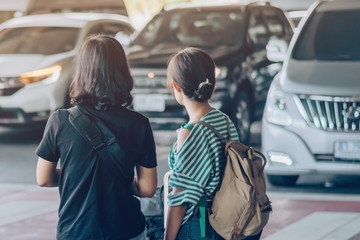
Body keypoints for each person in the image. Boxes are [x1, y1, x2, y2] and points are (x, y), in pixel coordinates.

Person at [36, 34, 158, 240]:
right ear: (122, 72)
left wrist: (73, 175)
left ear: (82, 71)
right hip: (125, 228)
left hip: (75, 230)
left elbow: (43, 178)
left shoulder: (60, 120)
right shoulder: (139, 124)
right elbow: (147, 189)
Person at [163, 47, 240, 240]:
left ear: (176, 86)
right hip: (223, 221)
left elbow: (180, 199)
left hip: (199, 226)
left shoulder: (191, 133)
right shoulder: (225, 121)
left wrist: (168, 238)